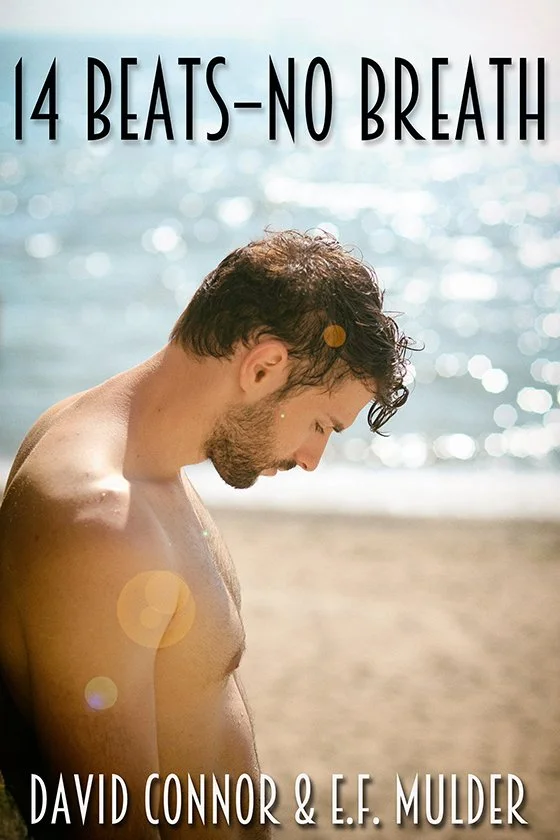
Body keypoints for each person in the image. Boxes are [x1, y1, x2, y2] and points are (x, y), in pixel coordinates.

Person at [0, 230, 411, 838]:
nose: (312, 457)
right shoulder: (103, 527)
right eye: (322, 424)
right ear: (264, 367)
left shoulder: (137, 462)